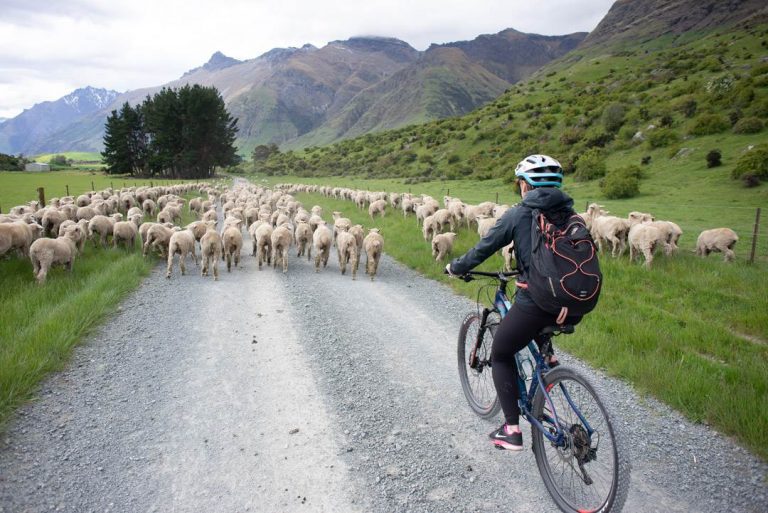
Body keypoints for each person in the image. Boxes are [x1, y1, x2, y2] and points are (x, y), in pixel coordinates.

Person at [445, 154, 583, 451]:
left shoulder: (519, 214)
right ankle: (548, 360)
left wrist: (456, 266)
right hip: (575, 303)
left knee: (501, 353)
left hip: (538, 302)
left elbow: (484, 247)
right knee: (532, 323)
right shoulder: (573, 216)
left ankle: (510, 430)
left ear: (524, 186)